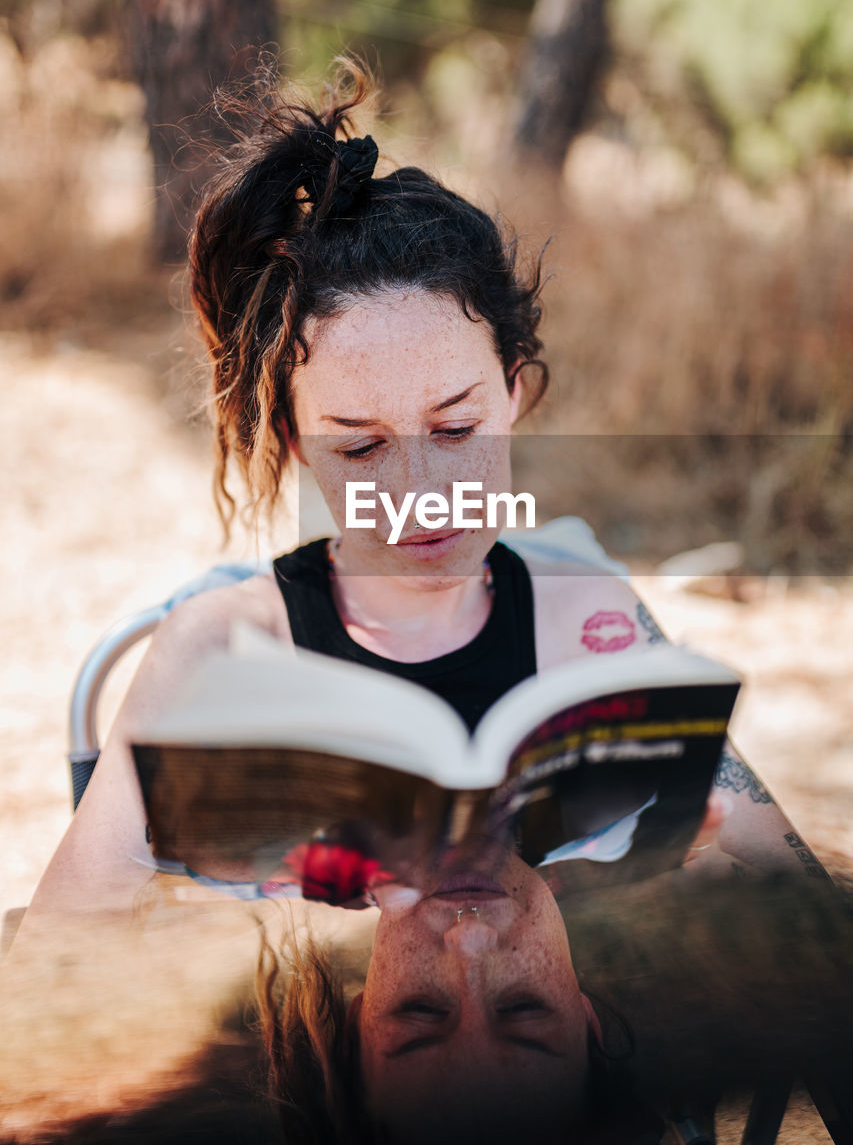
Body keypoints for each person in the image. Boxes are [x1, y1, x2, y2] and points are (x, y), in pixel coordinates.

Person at [26, 60, 818, 919]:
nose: (420, 492)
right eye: (361, 446)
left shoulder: (585, 615)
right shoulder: (220, 647)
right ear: (295, 443)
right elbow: (62, 944)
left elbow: (798, 888)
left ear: (513, 393)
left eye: (454, 430)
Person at [258, 846, 666, 1145]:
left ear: (357, 1024)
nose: (468, 936)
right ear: (587, 1022)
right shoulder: (648, 808)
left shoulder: (262, 852)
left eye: (420, 1009)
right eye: (524, 1008)